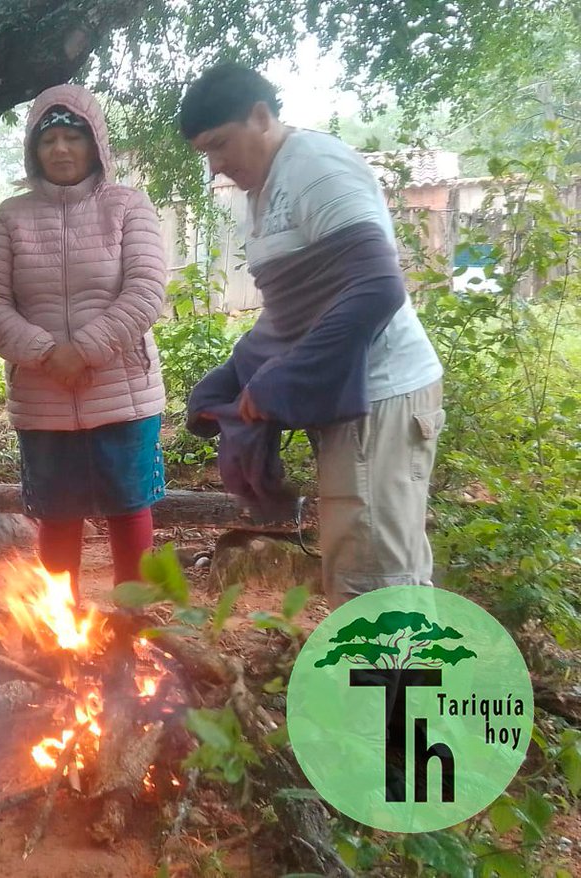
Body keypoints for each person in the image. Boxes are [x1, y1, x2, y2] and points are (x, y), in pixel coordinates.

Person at [177, 63, 445, 608]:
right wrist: (236, 374)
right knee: (378, 573)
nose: (216, 166)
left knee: (373, 586)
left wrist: (281, 382)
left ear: (261, 116)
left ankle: (384, 696)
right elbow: (296, 309)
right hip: (356, 404)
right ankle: (396, 694)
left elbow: (375, 288)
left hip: (380, 396)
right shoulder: (265, 187)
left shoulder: (315, 168)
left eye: (221, 144)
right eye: (206, 152)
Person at [0, 84, 168, 601]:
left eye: (72, 138)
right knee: (57, 514)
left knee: (130, 508)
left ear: (96, 144)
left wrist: (81, 350)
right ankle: (62, 636)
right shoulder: (11, 216)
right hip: (43, 399)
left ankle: (136, 628)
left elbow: (147, 289)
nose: (61, 149)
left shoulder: (128, 206)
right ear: (32, 151)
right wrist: (44, 353)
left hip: (122, 392)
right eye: (49, 140)